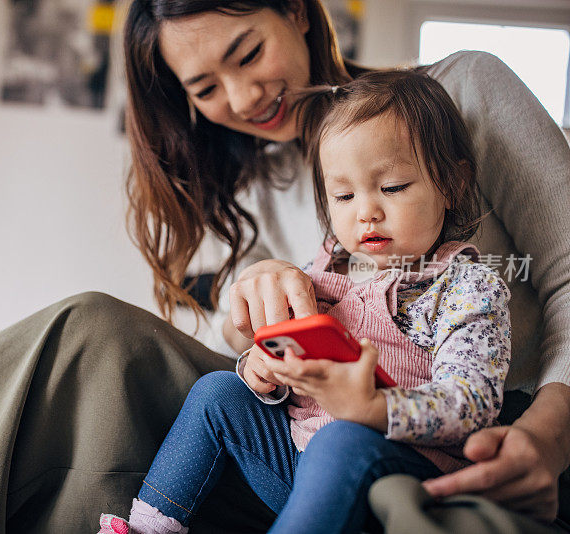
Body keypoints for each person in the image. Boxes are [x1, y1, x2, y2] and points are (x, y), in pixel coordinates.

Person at [0, 0, 568, 532]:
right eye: (206, 87)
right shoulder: (257, 183)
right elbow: (242, 346)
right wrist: (248, 318)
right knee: (96, 335)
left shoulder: (462, 91)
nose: (244, 95)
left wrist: (547, 434)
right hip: (290, 435)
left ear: (295, 10)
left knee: (102, 398)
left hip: (464, 437)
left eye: (248, 51)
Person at [98, 69, 513, 534]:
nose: (366, 211)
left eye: (393, 188)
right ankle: (145, 530)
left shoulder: (465, 287)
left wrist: (374, 408)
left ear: (453, 185)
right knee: (218, 392)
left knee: (341, 440)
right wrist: (265, 373)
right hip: (300, 464)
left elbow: (472, 404)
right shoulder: (321, 275)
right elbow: (283, 365)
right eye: (343, 194)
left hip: (403, 477)